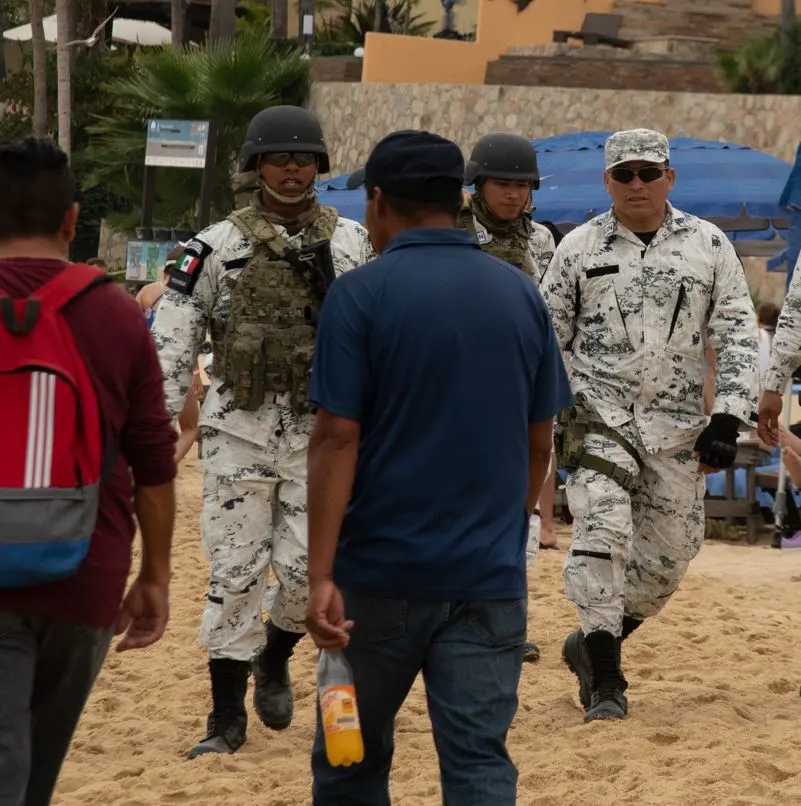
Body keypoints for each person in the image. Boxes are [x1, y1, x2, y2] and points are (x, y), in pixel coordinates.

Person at [304, 130, 573, 805]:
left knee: (349, 759)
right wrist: (503, 532)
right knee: (479, 762)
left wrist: (319, 574)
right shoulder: (519, 295)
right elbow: (540, 439)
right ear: (458, 199)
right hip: (487, 577)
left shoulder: (360, 295)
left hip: (379, 574)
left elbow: (337, 437)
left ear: (376, 202)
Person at [151, 105, 373, 759]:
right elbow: (174, 334)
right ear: (255, 166)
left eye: (304, 158)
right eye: (279, 157)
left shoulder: (351, 245)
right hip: (237, 432)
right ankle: (224, 719)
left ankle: (273, 655)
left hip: (320, 437)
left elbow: (377, 335)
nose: (292, 168)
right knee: (236, 573)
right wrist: (159, 417)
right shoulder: (215, 245)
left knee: (308, 572)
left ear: (320, 166)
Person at [540, 128, 759, 723]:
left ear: (669, 178)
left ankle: (588, 641)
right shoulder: (579, 248)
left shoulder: (709, 245)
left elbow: (738, 330)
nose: (637, 184)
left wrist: (729, 414)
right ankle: (607, 680)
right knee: (601, 532)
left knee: (671, 557)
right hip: (597, 416)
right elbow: (546, 338)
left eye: (648, 172)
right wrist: (555, 412)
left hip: (678, 426)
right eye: (624, 174)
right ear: (607, 181)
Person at [0, 137, 176, 805]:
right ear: (71, 220)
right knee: (35, 771)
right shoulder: (115, 313)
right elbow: (154, 465)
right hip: (84, 567)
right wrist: (154, 575)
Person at [462, 132, 559, 663]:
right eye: (504, 183)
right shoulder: (452, 232)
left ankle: (506, 622)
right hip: (454, 393)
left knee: (515, 515)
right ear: (477, 184)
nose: (514, 194)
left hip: (517, 393)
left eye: (523, 186)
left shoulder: (542, 242)